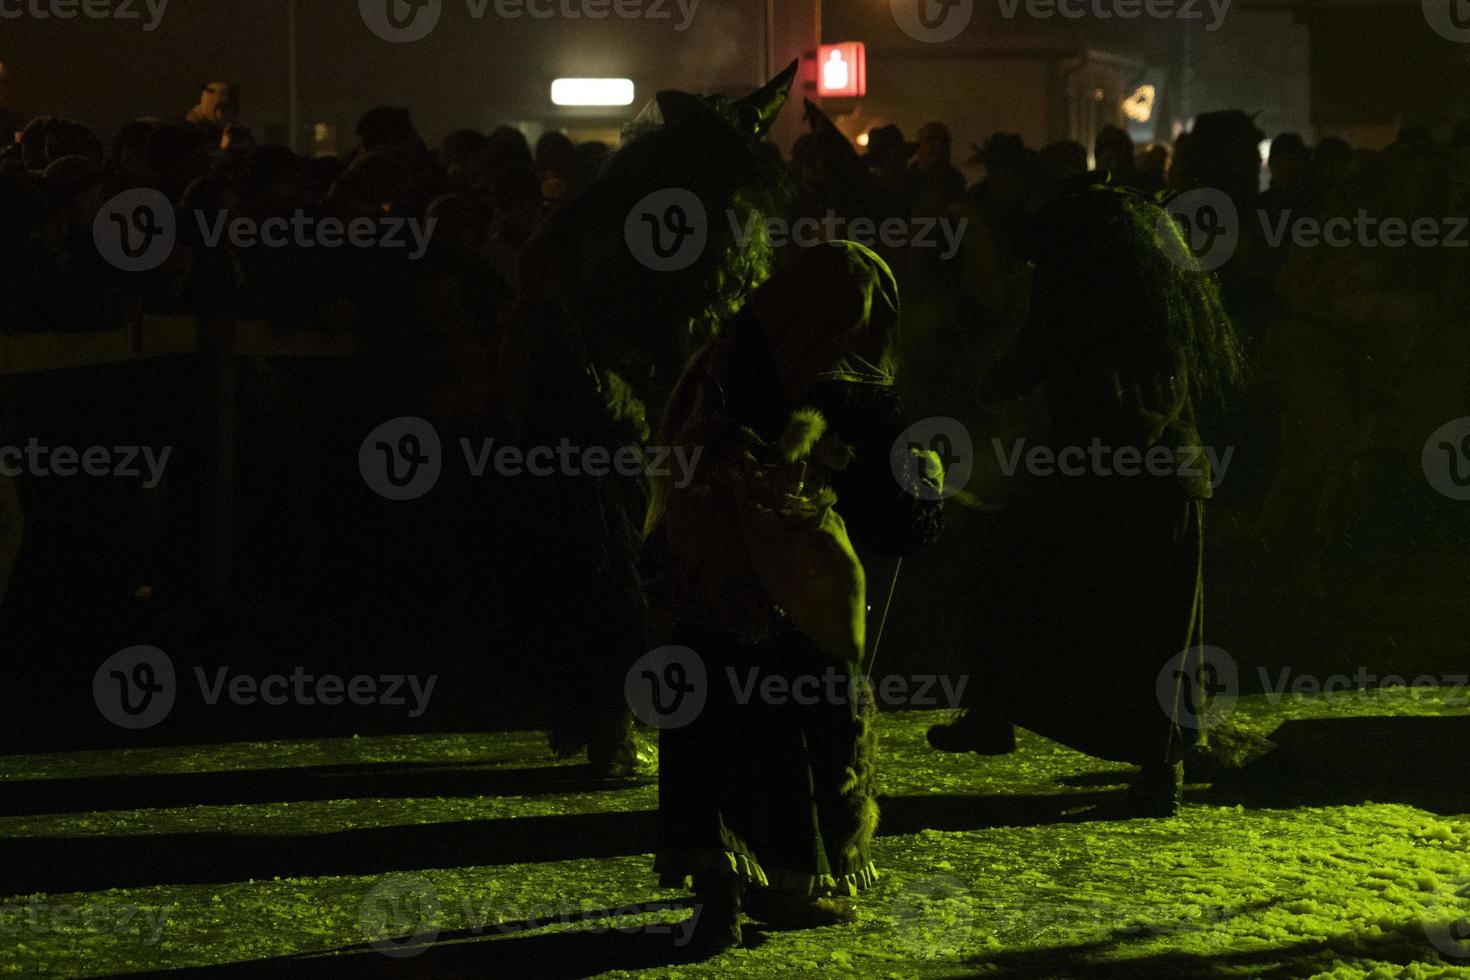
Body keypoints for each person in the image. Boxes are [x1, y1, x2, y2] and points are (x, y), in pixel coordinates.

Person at [644, 241, 943, 950]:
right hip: (793, 598)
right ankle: (794, 882)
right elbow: (895, 522)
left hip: (708, 587)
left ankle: (714, 869)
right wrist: (923, 486)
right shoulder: (852, 385)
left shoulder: (722, 357)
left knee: (708, 725)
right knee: (797, 736)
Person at [927, 185, 1246, 816]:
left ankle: (996, 711)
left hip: (1098, 475)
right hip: (1166, 477)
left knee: (1006, 574)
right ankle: (1161, 766)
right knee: (1156, 626)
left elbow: (1016, 372)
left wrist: (977, 366)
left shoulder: (1075, 295)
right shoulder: (1161, 298)